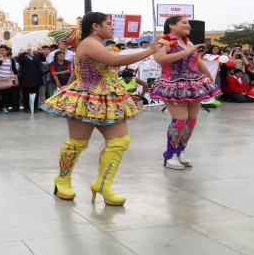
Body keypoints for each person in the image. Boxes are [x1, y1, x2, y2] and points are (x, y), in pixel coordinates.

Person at [43, 12, 163, 206]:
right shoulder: (90, 42)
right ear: (95, 27)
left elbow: (78, 69)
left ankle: (103, 185)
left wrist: (70, 85)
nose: (112, 27)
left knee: (119, 142)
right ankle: (62, 180)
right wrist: (150, 50)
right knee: (77, 143)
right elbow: (114, 62)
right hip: (87, 98)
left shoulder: (98, 45)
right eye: (108, 24)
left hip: (108, 98)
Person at [150, 16, 220, 170]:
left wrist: (210, 81)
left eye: (188, 23)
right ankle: (169, 155)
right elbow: (160, 59)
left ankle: (180, 151)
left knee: (191, 121)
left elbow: (198, 63)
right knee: (180, 120)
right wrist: (189, 51)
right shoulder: (165, 40)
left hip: (193, 85)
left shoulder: (188, 42)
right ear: (172, 25)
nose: (188, 25)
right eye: (184, 22)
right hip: (173, 84)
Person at [16, 49, 46, 113]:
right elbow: (18, 60)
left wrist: (40, 53)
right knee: (26, 94)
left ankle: (35, 107)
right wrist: (24, 52)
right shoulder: (22, 57)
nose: (29, 50)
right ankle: (26, 107)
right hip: (25, 79)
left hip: (36, 78)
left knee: (36, 93)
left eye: (29, 49)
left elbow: (43, 59)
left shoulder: (34, 56)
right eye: (27, 49)